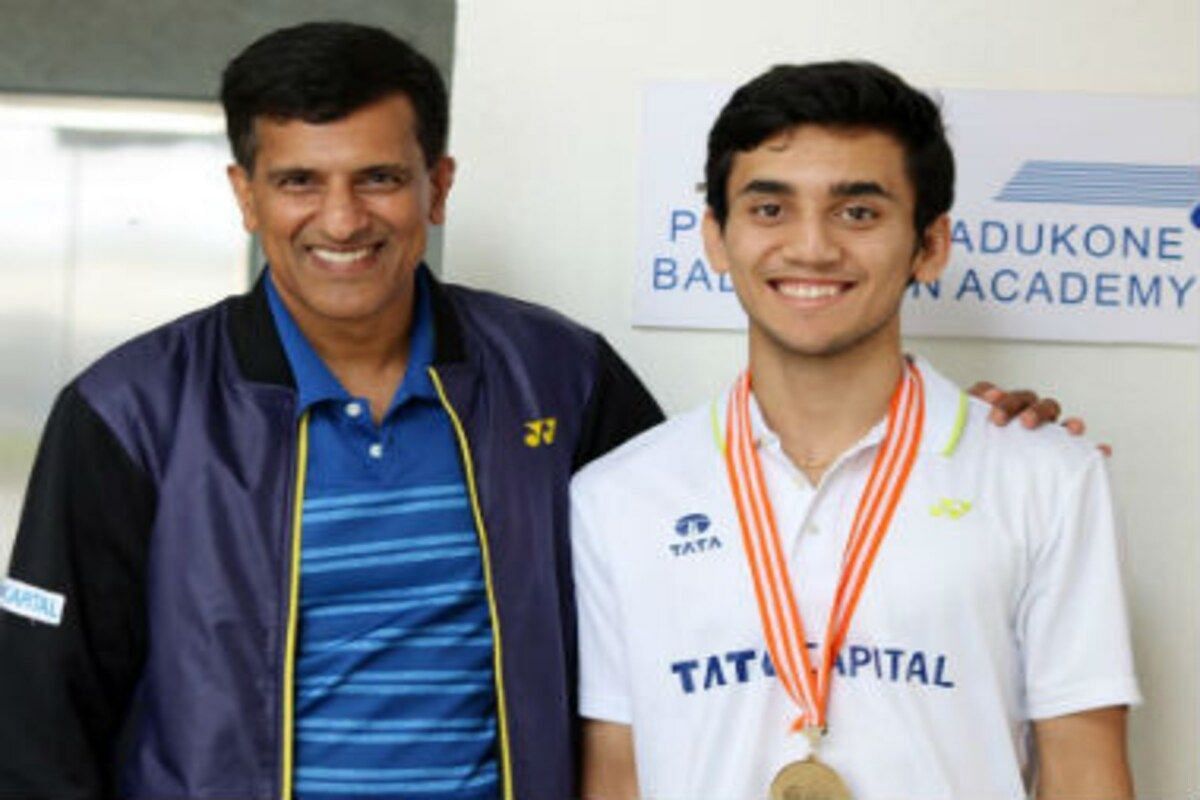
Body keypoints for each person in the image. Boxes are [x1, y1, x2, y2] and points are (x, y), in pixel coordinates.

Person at [0, 24, 1069, 800]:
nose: (340, 218)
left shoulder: (556, 374)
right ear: (244, 194)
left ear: (440, 183)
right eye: (297, 182)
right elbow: (39, 716)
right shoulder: (131, 409)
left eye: (380, 177)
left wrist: (946, 442)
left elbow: (732, 530)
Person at [572, 61, 1138, 800]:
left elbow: (1085, 770)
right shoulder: (617, 495)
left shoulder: (1047, 475)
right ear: (716, 237)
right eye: (770, 210)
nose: (811, 248)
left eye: (858, 213)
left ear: (929, 245)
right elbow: (617, 773)